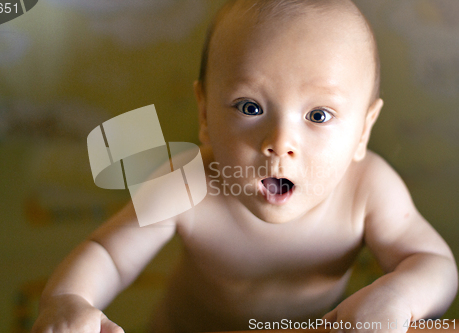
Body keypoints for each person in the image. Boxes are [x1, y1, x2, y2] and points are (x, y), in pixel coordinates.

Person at [31, 0, 458, 332]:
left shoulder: (368, 190)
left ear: (363, 130)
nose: (279, 144)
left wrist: (399, 297)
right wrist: (69, 299)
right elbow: (109, 254)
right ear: (204, 115)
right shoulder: (187, 183)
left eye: (319, 115)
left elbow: (433, 263)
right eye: (250, 106)